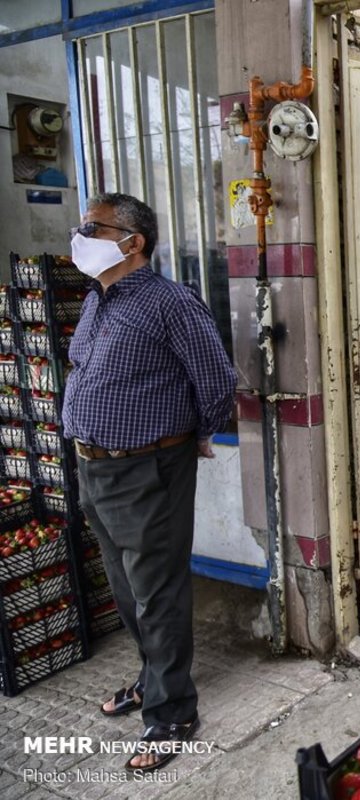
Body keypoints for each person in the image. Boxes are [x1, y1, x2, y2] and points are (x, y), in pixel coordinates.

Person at [62, 193, 237, 772]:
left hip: (147, 468)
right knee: (125, 586)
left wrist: (191, 438)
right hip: (95, 465)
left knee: (157, 591)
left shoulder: (169, 303)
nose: (79, 235)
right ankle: (151, 679)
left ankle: (172, 712)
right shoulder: (97, 300)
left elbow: (216, 380)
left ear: (131, 241)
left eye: (92, 226)